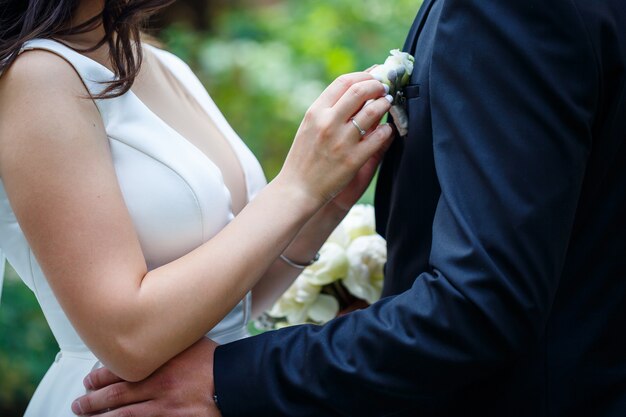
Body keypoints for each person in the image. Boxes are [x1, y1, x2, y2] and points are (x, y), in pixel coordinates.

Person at [74, 0, 626, 416]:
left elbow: (481, 302)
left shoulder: (503, 12)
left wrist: (231, 379)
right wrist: (310, 200)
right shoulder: (50, 74)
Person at [0, 1, 396, 416]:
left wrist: (325, 204)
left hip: (208, 393)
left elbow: (229, 308)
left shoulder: (158, 61)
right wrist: (297, 186)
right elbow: (127, 339)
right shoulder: (39, 76)